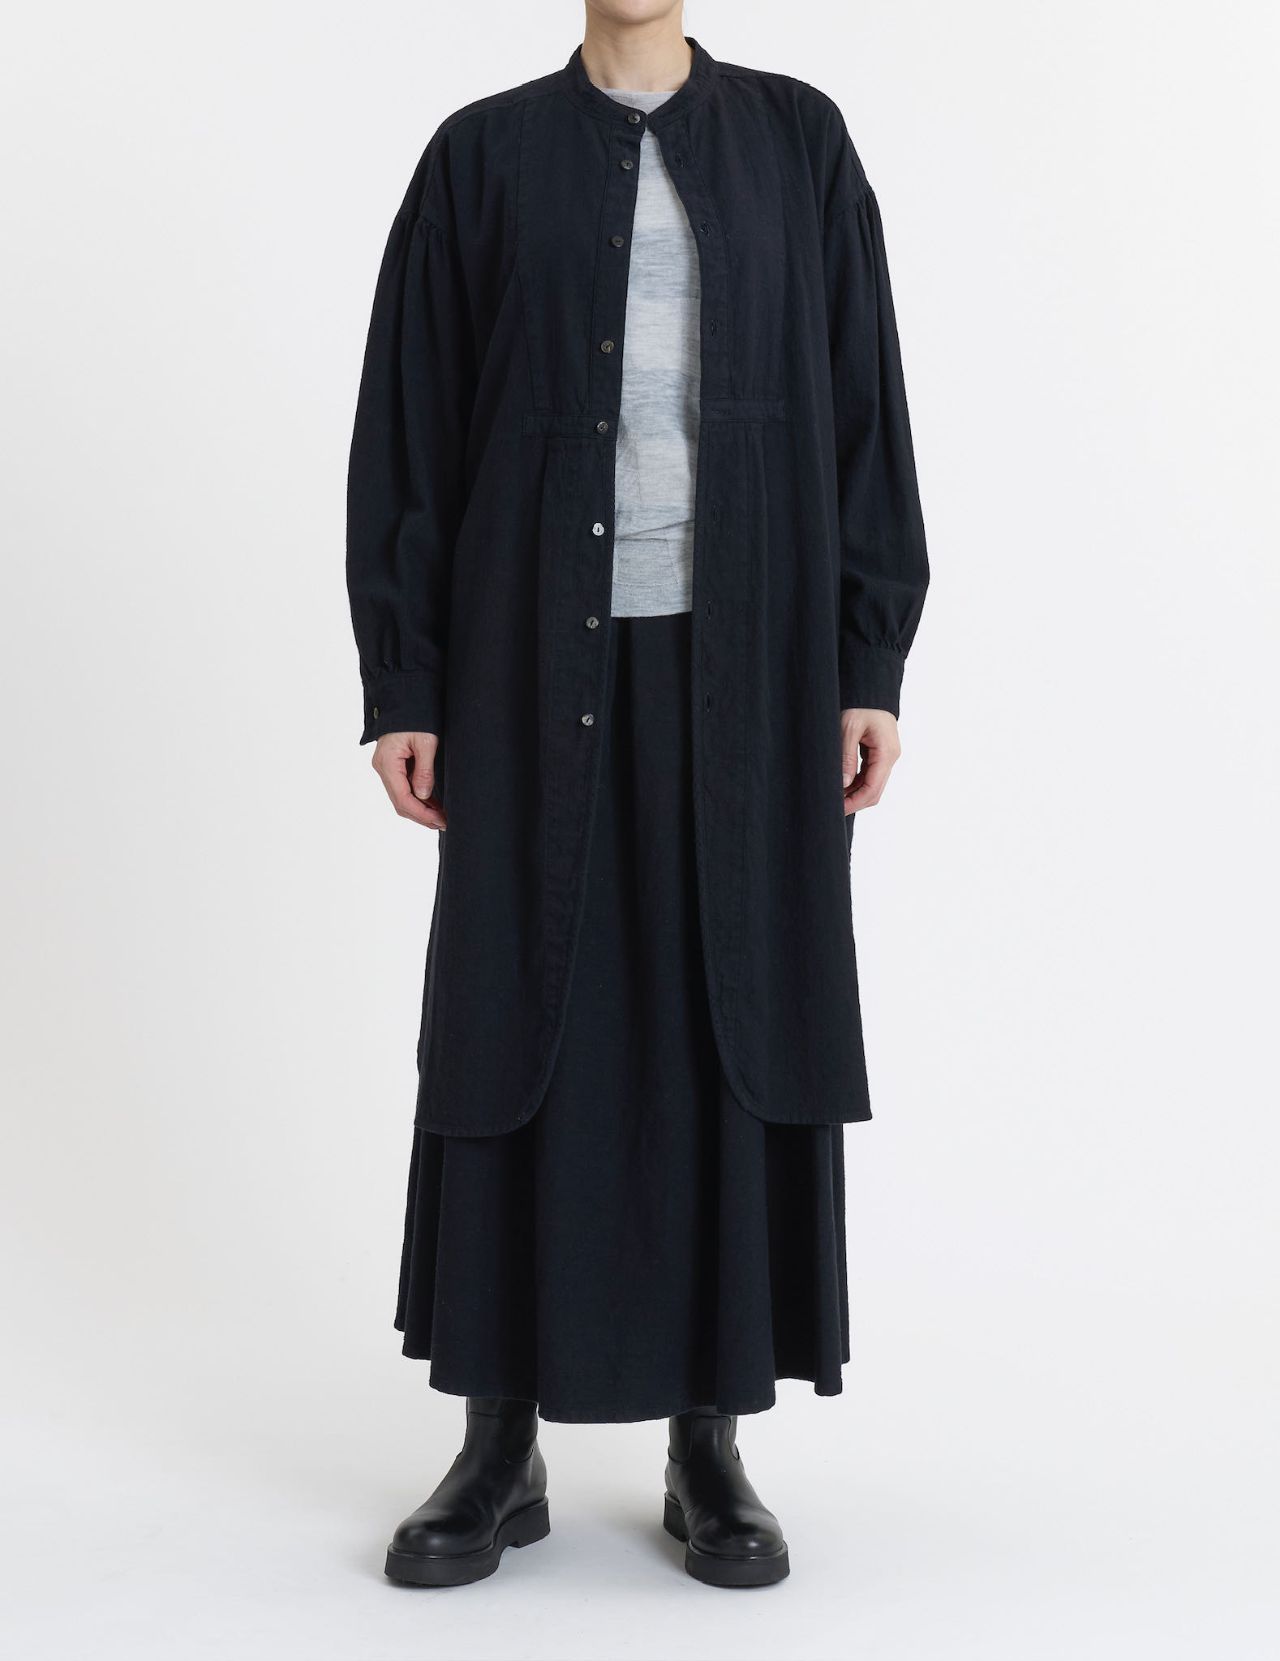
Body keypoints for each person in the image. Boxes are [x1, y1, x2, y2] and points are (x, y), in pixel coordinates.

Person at [346, 2, 928, 1590]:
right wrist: (406, 681)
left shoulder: (798, 144)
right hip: (526, 662)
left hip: (753, 659)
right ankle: (497, 1438)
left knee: (719, 1019)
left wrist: (868, 657)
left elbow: (865, 406)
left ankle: (708, 1438)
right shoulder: (481, 159)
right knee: (513, 1016)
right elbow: (409, 422)